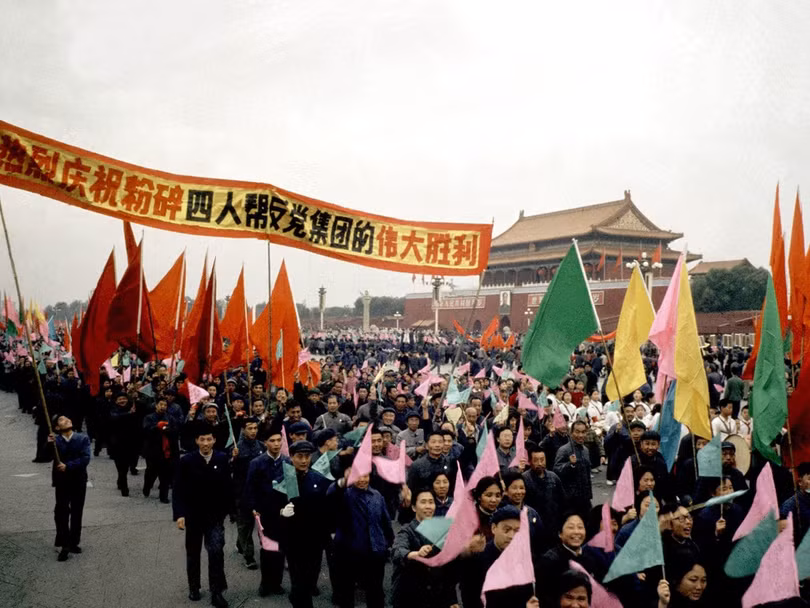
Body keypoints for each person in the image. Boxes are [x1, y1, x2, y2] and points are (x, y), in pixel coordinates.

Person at [173, 424, 233, 608]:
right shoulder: (187, 461)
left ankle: (217, 591)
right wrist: (180, 514)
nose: (206, 443)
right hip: (193, 515)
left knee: (216, 552)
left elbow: (227, 486)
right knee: (193, 553)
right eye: (202, 440)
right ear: (196, 441)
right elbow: (178, 489)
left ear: (214, 440)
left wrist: (229, 510)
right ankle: (194, 586)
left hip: (214, 516)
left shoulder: (221, 458)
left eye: (209, 439)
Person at [275, 440, 331, 608]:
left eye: (307, 456)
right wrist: (281, 512)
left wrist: (328, 534)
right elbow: (269, 507)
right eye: (299, 456)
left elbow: (327, 509)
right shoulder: (283, 480)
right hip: (293, 539)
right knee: (299, 579)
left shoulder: (319, 479)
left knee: (310, 577)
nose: (304, 460)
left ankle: (296, 596)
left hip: (314, 538)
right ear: (291, 457)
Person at [328, 467, 394, 608]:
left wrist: (388, 542)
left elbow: (385, 521)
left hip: (374, 551)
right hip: (350, 551)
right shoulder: (345, 495)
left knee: (375, 591)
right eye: (358, 476)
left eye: (365, 476)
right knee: (347, 592)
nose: (362, 480)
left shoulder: (377, 495)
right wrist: (343, 481)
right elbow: (331, 493)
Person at [243, 418, 291, 596]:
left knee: (281, 548)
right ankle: (265, 583)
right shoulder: (257, 463)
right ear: (265, 443)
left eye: (279, 440)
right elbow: (250, 488)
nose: (276, 444)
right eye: (272, 441)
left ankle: (277, 583)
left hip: (284, 512)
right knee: (267, 548)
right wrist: (253, 507)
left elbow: (292, 489)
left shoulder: (288, 462)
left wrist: (291, 506)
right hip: (265, 512)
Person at [390, 488, 458, 608]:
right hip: (410, 596)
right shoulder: (407, 531)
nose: (428, 506)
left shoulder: (441, 532)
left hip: (436, 597)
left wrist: (452, 600)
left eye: (431, 502)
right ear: (414, 507)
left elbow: (447, 571)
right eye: (423, 502)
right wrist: (415, 554)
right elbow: (397, 551)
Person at [459, 505, 534, 608]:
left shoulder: (524, 558)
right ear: (494, 528)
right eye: (506, 530)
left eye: (517, 531)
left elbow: (528, 596)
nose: (512, 536)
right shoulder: (477, 560)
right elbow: (470, 599)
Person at [537, 512, 608, 606]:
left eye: (580, 527)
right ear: (560, 533)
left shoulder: (591, 558)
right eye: (571, 527)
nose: (576, 532)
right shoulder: (549, 561)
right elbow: (544, 597)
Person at [50, 415, 91, 561]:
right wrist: (48, 444)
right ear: (56, 427)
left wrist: (68, 466)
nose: (66, 420)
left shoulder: (82, 438)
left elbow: (85, 458)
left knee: (76, 511)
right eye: (61, 420)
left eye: (67, 418)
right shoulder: (56, 441)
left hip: (78, 480)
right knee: (61, 511)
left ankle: (74, 541)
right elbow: (45, 456)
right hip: (61, 481)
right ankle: (64, 543)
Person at [232, 417, 264, 570]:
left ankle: (241, 543)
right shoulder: (236, 448)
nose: (253, 431)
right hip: (242, 492)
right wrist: (233, 458)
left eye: (255, 428)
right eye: (250, 428)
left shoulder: (262, 446)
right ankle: (249, 556)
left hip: (259, 492)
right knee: (245, 524)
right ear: (243, 430)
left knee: (258, 524)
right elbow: (230, 469)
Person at [141, 396, 180, 503]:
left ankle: (164, 496)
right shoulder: (149, 417)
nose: (163, 407)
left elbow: (175, 431)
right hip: (153, 450)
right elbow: (146, 431)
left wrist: (168, 430)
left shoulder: (170, 418)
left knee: (165, 474)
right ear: (156, 405)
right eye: (161, 404)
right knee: (151, 472)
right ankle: (147, 487)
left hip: (166, 450)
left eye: (165, 405)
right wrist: (156, 427)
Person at [522, 444, 566, 540]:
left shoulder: (553, 477)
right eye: (536, 460)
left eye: (542, 460)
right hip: (534, 525)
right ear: (530, 461)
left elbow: (563, 501)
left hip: (553, 524)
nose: (540, 463)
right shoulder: (524, 479)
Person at [554, 420, 592, 516]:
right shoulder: (564, 450)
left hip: (585, 498)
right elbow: (556, 470)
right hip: (570, 499)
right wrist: (570, 464)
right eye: (577, 432)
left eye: (583, 432)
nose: (580, 435)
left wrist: (589, 494)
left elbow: (587, 475)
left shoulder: (585, 450)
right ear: (571, 433)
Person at [108, 392, 141, 497]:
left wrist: (136, 399)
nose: (122, 401)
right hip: (117, 443)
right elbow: (115, 418)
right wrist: (129, 414)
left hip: (130, 442)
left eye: (124, 398)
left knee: (126, 466)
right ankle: (124, 487)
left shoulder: (132, 407)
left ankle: (121, 480)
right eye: (120, 399)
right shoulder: (113, 409)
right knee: (120, 466)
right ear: (116, 401)